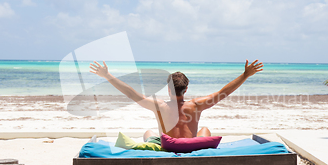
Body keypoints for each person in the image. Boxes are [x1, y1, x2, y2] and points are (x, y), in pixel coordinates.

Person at [90, 60, 263, 143]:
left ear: (168, 89)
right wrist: (245, 75)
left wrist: (107, 75)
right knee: (205, 130)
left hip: (168, 146)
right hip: (190, 146)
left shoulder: (160, 106)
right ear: (185, 89)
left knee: (148, 133)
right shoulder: (196, 105)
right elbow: (223, 92)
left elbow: (131, 93)